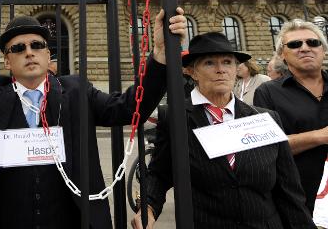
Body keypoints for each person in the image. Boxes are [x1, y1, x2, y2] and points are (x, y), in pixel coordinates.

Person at [0, 0, 187, 229]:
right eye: (18, 48)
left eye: (36, 45)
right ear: (7, 62)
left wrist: (159, 56)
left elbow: (127, 108)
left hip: (67, 218)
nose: (29, 52)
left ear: (48, 55)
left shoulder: (75, 91)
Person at [132, 32, 314, 229]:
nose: (220, 70)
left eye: (227, 62)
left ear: (236, 69)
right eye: (209, 63)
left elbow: (289, 190)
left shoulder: (265, 119)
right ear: (192, 72)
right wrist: (148, 207)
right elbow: (159, 173)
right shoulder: (175, 117)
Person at [254, 19, 328, 213]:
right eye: (295, 45)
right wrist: (320, 136)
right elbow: (266, 147)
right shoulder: (268, 92)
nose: (305, 48)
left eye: (313, 43)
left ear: (323, 50)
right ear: (282, 55)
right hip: (297, 201)